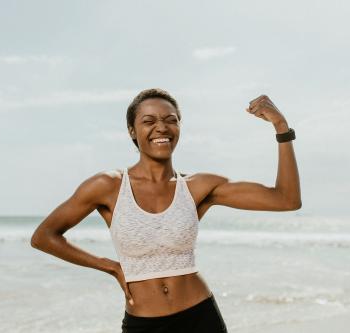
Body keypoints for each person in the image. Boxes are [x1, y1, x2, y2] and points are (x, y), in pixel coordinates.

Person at [30, 88, 301, 332]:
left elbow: (286, 199)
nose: (161, 127)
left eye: (171, 120)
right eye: (149, 121)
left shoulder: (198, 187)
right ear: (132, 131)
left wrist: (281, 127)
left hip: (200, 318)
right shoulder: (108, 186)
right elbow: (44, 236)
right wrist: (112, 268)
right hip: (144, 325)